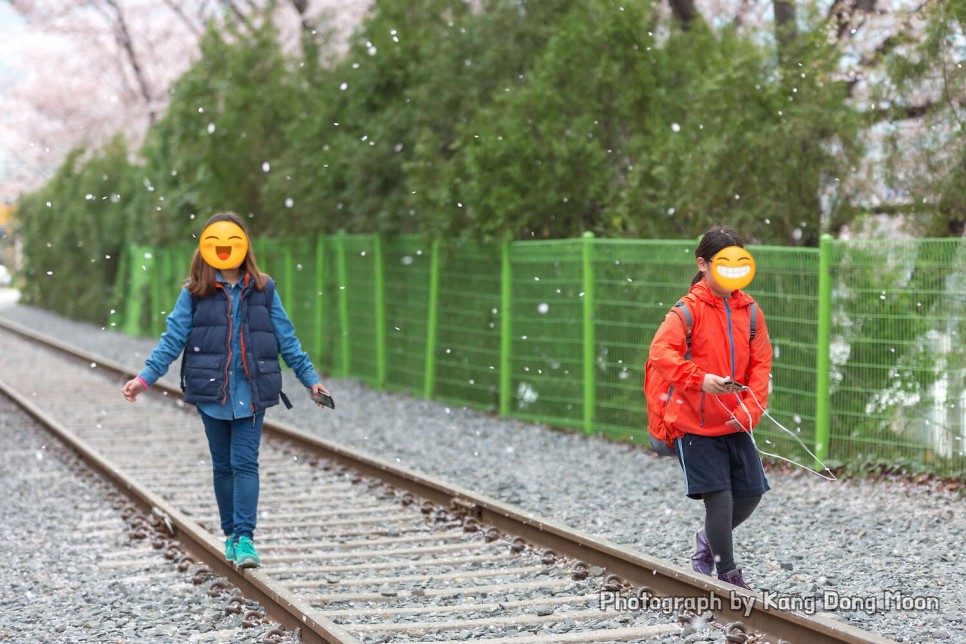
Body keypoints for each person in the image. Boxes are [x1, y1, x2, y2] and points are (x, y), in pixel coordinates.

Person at [122, 211, 331, 569]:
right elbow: (172, 340)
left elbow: (287, 339)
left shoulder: (264, 290)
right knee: (223, 467)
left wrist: (310, 379)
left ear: (243, 245)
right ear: (205, 247)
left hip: (253, 389)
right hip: (211, 392)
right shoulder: (195, 293)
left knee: (244, 463)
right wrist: (145, 379)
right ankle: (231, 534)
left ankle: (246, 539)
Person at [645, 226, 772, 589]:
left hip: (735, 422)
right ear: (703, 265)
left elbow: (761, 364)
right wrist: (699, 379)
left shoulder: (750, 312)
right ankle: (727, 574)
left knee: (749, 496)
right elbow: (660, 353)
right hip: (693, 424)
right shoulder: (687, 310)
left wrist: (751, 409)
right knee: (720, 498)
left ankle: (707, 540)